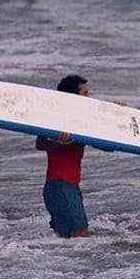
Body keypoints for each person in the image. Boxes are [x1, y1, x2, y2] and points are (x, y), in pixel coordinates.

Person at [35, 74, 91, 238]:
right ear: (73, 96)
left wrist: (119, 112)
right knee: (80, 235)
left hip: (68, 186)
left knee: (65, 241)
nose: (90, 97)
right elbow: (40, 144)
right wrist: (59, 143)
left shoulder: (85, 121)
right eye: (85, 93)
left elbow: (106, 147)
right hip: (60, 185)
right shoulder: (57, 118)